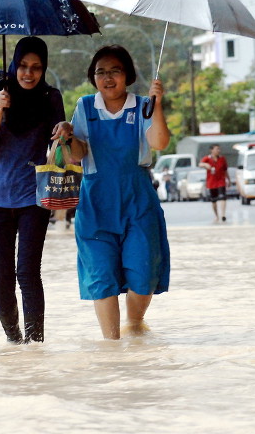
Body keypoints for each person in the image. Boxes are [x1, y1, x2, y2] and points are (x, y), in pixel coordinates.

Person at [54, 44, 171, 340]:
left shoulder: (144, 104)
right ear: (93, 77)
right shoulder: (84, 106)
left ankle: (134, 325)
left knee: (143, 274)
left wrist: (157, 106)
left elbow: (159, 143)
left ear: (127, 75)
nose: (107, 78)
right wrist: (68, 134)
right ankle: (111, 348)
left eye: (114, 71)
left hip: (139, 201)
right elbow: (76, 155)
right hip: (96, 206)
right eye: (100, 72)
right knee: (101, 276)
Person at [0, 36, 65, 343]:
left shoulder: (51, 97)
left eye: (37, 67)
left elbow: (58, 139)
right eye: (23, 66)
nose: (29, 73)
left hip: (33, 197)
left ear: (44, 69)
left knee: (27, 273)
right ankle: (15, 342)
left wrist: (65, 130)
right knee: (1, 279)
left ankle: (36, 345)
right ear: (14, 64)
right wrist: (0, 111)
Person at [198, 144, 230, 221]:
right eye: (216, 149)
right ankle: (217, 216)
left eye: (219, 149)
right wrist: (205, 164)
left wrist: (228, 179)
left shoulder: (222, 159)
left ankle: (223, 215)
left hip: (221, 181)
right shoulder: (207, 158)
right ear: (211, 150)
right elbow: (200, 164)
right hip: (211, 183)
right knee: (214, 201)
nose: (218, 151)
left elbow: (225, 170)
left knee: (223, 198)